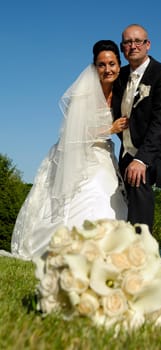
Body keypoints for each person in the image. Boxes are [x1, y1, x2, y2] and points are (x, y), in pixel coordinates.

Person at [10, 40, 128, 260]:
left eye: (112, 63)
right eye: (101, 65)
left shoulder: (122, 92)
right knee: (92, 192)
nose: (107, 69)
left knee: (110, 198)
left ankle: (107, 254)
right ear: (94, 67)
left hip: (105, 154)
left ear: (119, 65)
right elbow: (74, 132)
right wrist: (109, 129)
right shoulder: (83, 94)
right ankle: (73, 250)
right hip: (79, 155)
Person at [112, 24, 161, 232]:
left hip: (152, 151)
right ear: (122, 47)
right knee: (122, 203)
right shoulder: (119, 76)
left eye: (138, 41)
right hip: (126, 150)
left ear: (148, 44)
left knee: (138, 191)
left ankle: (141, 253)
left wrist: (142, 160)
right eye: (127, 42)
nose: (133, 46)